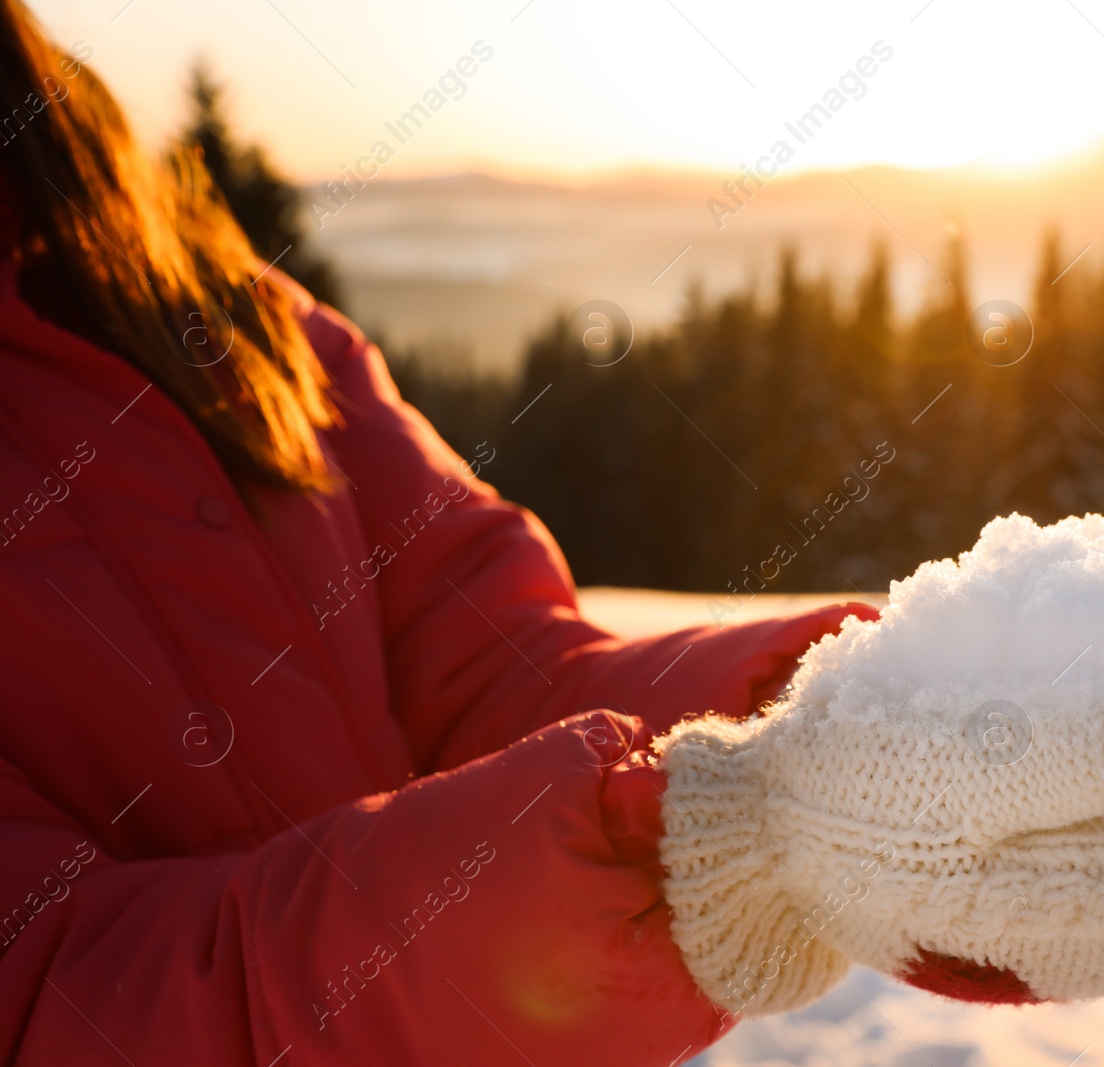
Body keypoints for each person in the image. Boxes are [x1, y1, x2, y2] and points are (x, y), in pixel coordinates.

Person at [0, 2, 875, 1062]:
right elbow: (48, 992)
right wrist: (563, 863)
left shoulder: (215, 315)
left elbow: (491, 670)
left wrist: (832, 699)